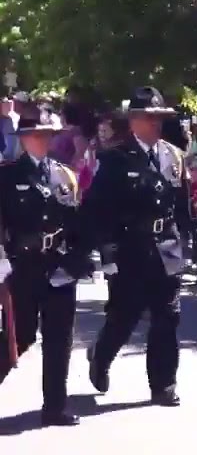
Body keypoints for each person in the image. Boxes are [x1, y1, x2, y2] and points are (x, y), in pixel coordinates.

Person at [85, 87, 192, 406]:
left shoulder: (174, 156)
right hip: (130, 248)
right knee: (124, 316)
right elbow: (97, 210)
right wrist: (107, 252)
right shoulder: (116, 159)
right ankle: (101, 355)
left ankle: (163, 385)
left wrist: (186, 241)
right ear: (132, 121)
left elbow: (181, 205)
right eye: (148, 117)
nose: (155, 123)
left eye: (159, 117)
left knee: (167, 316)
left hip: (167, 247)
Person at [0, 110, 94, 426]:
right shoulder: (7, 176)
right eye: (36, 134)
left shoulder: (64, 175)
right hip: (22, 266)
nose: (42, 140)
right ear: (24, 138)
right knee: (19, 336)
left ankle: (54, 407)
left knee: (59, 339)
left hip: (59, 265)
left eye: (47, 135)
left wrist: (81, 258)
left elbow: (77, 222)